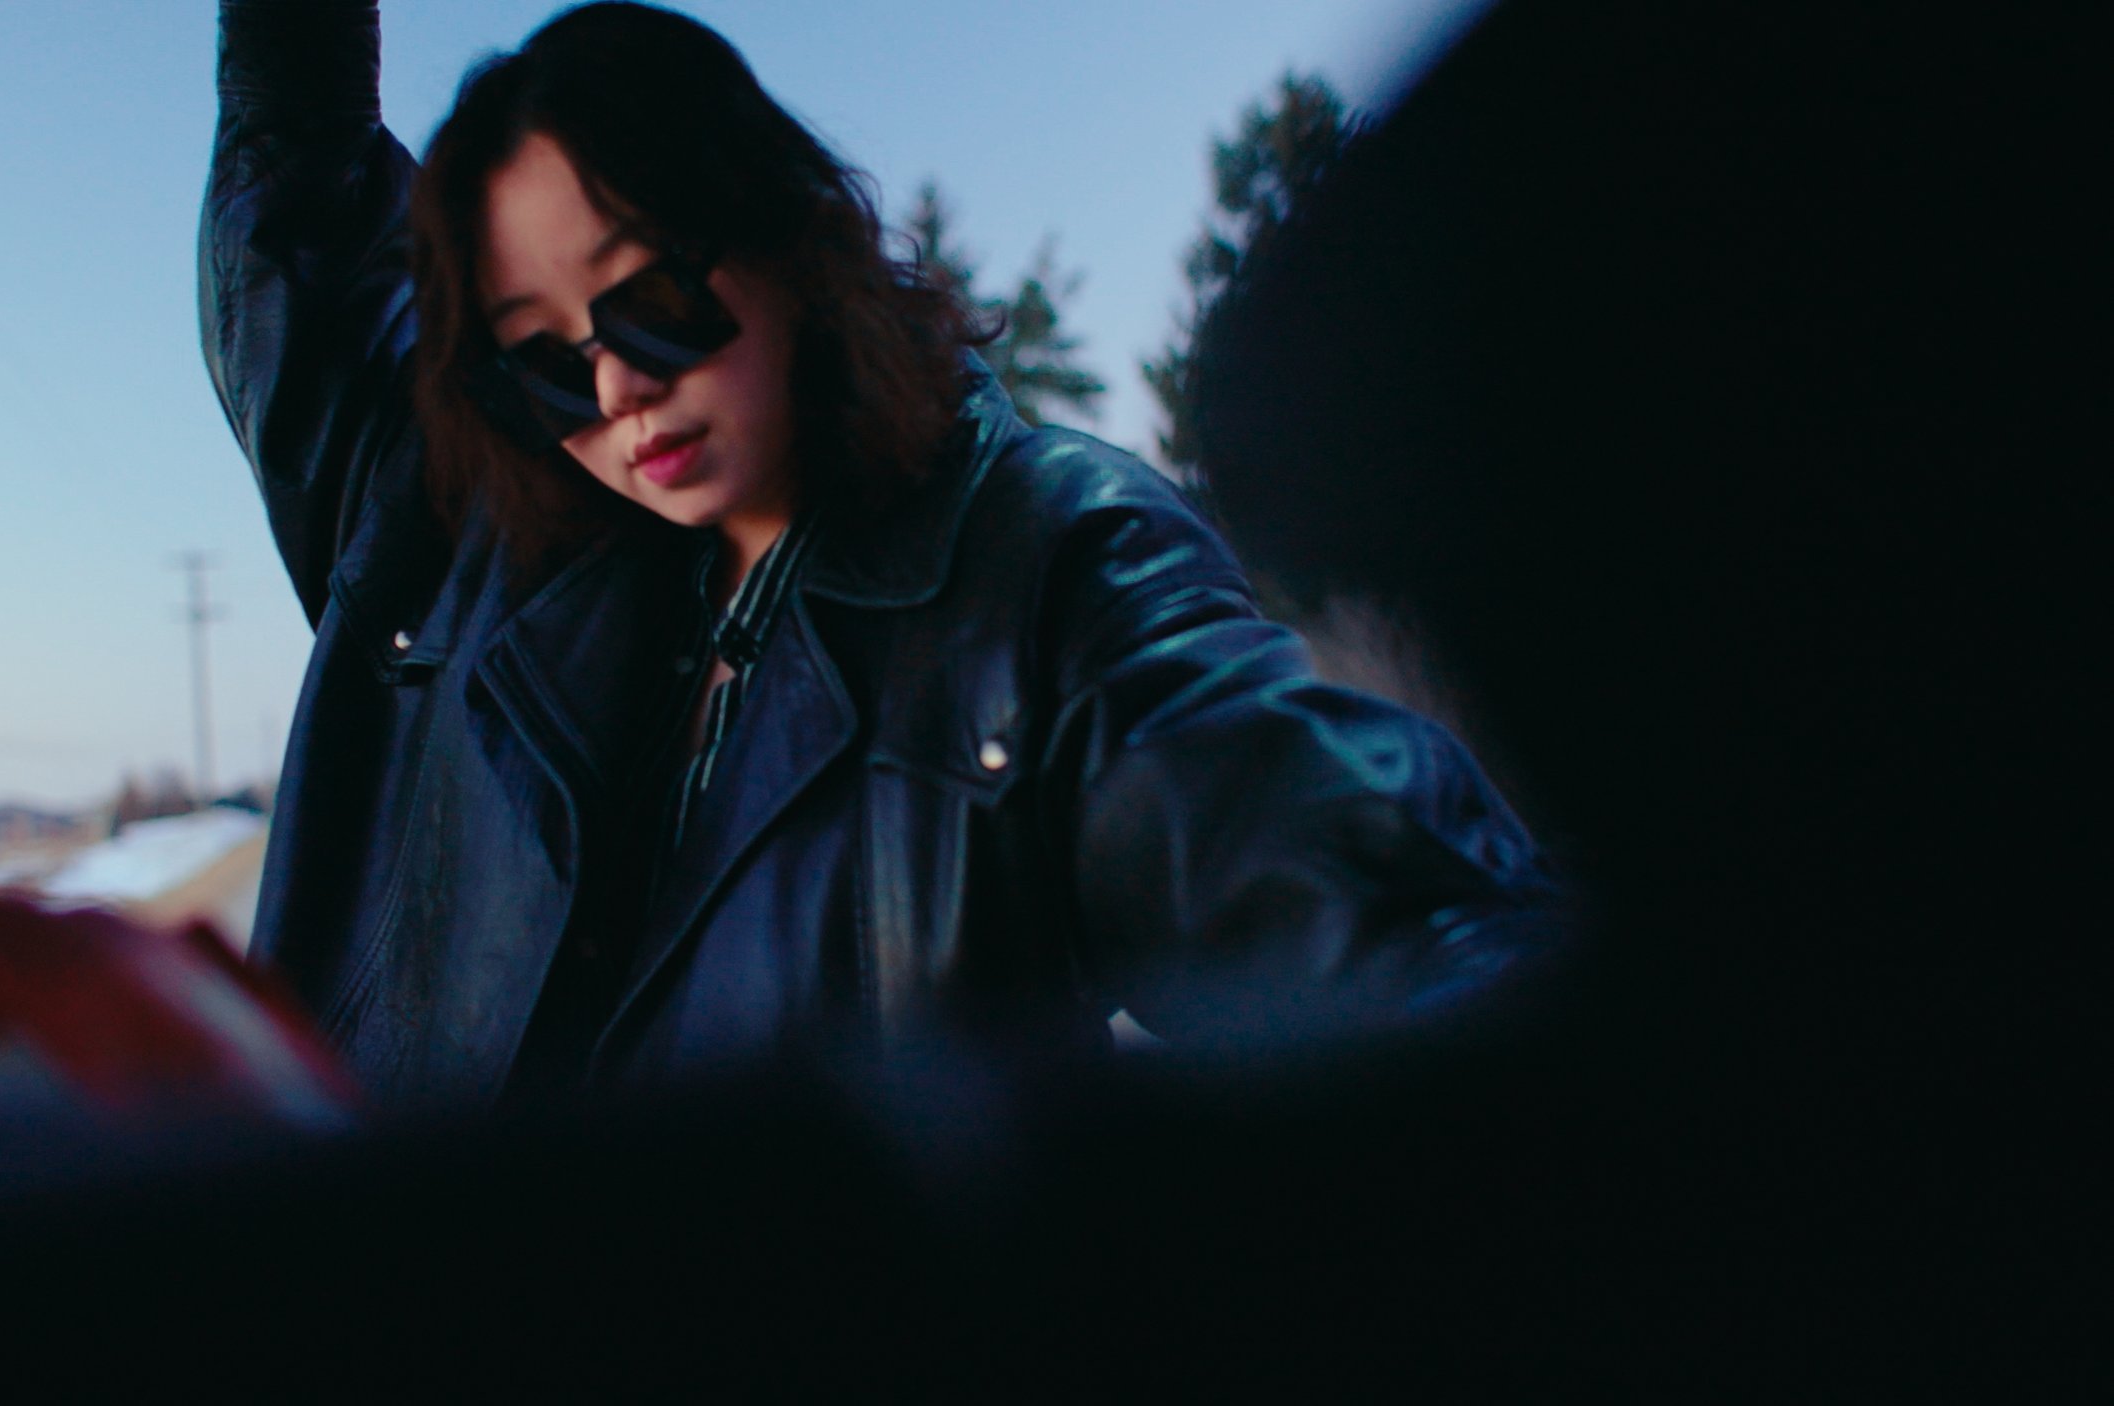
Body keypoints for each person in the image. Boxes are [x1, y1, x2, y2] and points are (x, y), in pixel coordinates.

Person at [201, 0, 1556, 1109]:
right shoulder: (445, 529)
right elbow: (295, 178)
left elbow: (1380, 906)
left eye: (651, 298)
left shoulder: (1047, 568)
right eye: (546, 360)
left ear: (783, 228)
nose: (614, 388)